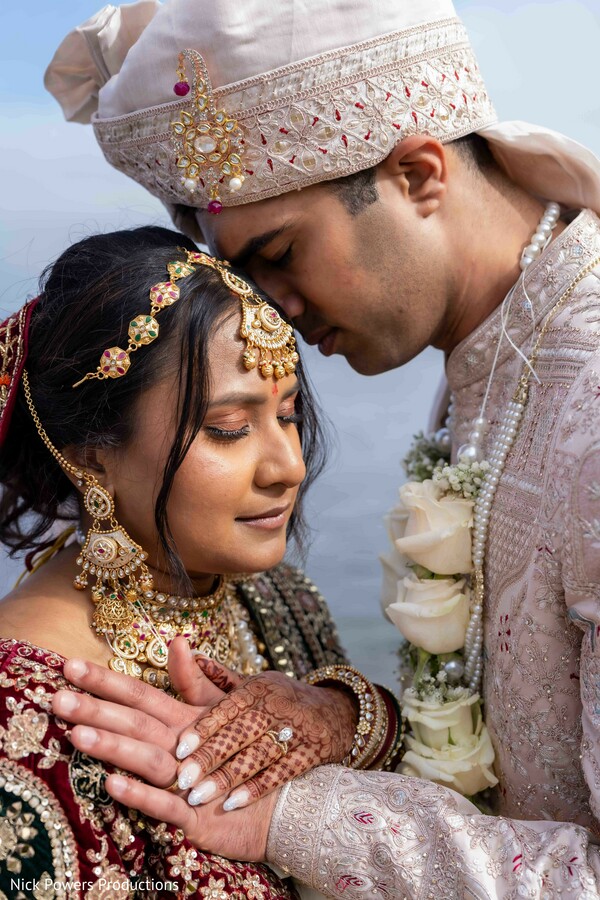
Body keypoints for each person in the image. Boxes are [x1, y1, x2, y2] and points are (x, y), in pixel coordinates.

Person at [43, 0, 600, 895]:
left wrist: (294, 817)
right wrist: (350, 716)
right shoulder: (490, 366)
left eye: (280, 253)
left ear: (418, 174)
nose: (272, 311)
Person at [0, 225, 405, 897]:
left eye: (288, 415)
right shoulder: (24, 708)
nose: (289, 467)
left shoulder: (277, 599)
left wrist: (347, 716)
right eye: (229, 429)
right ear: (92, 454)